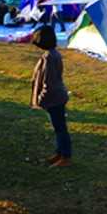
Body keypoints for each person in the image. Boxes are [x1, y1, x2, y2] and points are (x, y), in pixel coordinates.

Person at [30, 25, 72, 168]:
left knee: (61, 129)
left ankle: (66, 157)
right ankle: (60, 153)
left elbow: (49, 83)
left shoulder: (50, 57)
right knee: (57, 128)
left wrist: (41, 98)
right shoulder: (52, 54)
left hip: (55, 98)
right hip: (55, 97)